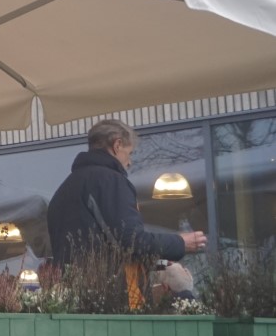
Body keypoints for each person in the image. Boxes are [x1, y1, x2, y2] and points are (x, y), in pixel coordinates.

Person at [46, 119, 207, 296]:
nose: (129, 162)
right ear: (117, 145)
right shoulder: (111, 182)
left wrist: (161, 263)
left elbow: (110, 248)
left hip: (72, 296)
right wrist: (180, 243)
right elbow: (132, 242)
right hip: (111, 299)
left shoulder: (63, 191)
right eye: (129, 153)